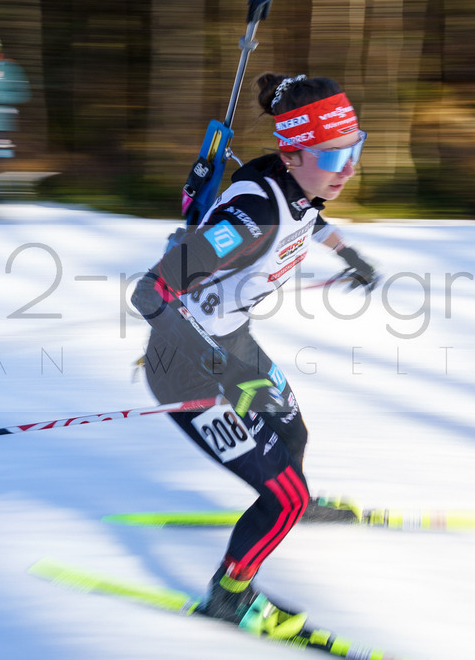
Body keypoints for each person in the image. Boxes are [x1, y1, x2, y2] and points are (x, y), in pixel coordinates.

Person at [130, 73, 379, 636]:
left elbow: (311, 221)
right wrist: (191, 341)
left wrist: (349, 254)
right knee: (282, 497)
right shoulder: (249, 219)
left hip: (233, 343)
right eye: (335, 154)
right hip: (186, 369)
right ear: (293, 152)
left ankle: (292, 504)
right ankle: (230, 593)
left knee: (293, 434)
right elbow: (150, 290)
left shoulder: (291, 182)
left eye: (354, 149)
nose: (347, 168)